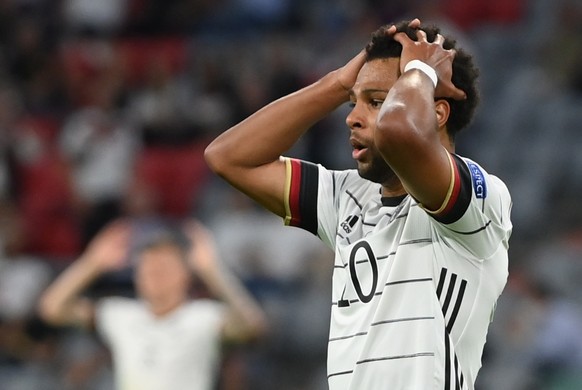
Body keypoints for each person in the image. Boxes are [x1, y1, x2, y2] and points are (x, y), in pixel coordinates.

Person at [204, 18, 512, 390]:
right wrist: (334, 84)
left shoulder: (480, 204)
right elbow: (228, 157)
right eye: (354, 102)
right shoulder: (347, 198)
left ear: (437, 112)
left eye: (377, 102)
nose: (351, 117)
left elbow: (399, 132)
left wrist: (418, 69)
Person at [38, 219, 268, 390]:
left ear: (185, 274)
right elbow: (52, 308)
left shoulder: (204, 316)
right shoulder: (119, 313)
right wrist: (92, 263)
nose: (154, 274)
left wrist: (213, 270)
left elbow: (253, 325)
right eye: (147, 267)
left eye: (164, 267)